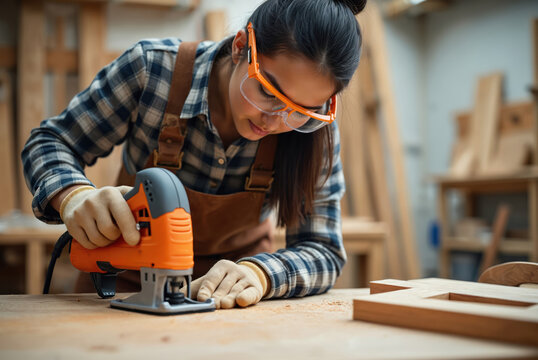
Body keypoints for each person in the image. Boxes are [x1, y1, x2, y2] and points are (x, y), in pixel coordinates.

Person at [22, 0, 365, 309]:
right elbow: (51, 140)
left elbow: (322, 250)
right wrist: (72, 195)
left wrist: (262, 274)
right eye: (268, 92)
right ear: (241, 47)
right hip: (127, 284)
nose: (277, 121)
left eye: (302, 110)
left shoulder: (315, 130)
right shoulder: (152, 71)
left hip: (231, 301)